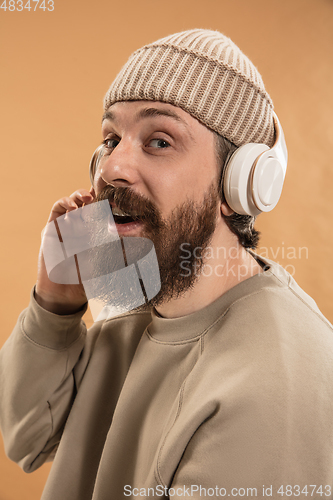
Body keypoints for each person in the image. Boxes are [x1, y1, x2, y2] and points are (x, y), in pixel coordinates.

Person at [1, 29, 333, 500]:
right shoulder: (137, 308)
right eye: (112, 138)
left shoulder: (274, 388)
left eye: (159, 141)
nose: (112, 167)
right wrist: (56, 303)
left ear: (239, 182)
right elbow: (28, 440)